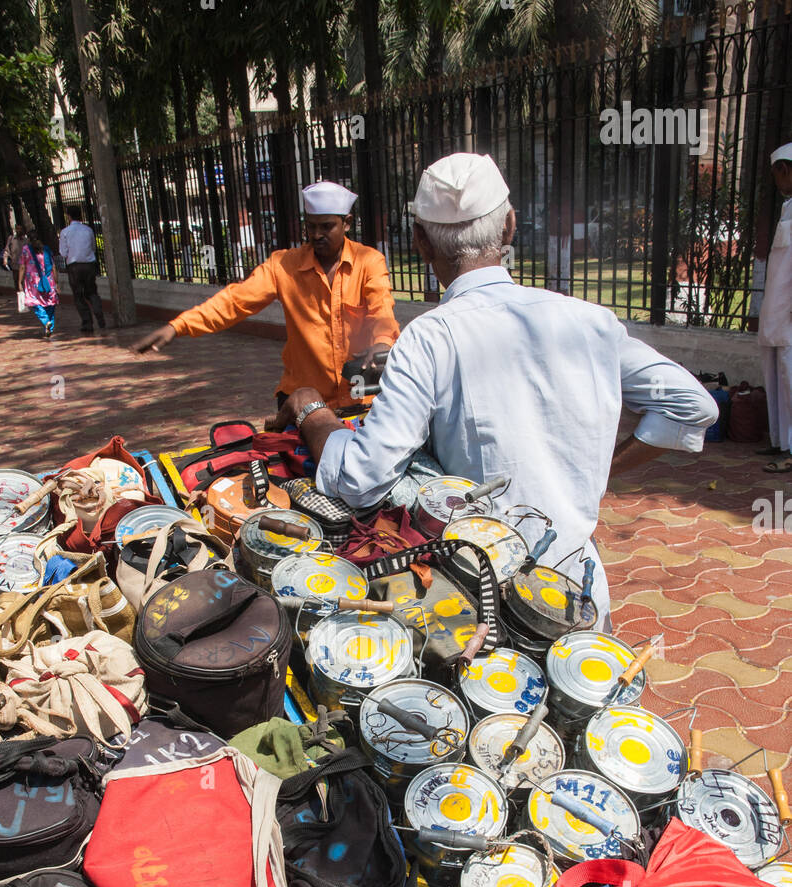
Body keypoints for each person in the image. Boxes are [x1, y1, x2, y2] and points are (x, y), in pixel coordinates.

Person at [267, 153, 718, 628]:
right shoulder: (590, 322)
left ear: (420, 242)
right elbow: (692, 407)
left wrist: (312, 410)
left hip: (482, 600)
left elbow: (362, 479)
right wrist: (595, 472)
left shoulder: (430, 337)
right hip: (576, 592)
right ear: (509, 227)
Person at [131, 181, 400, 410]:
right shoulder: (283, 265)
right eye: (311, 226)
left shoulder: (369, 262)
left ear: (347, 223)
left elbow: (382, 309)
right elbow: (234, 302)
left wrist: (383, 342)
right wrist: (177, 326)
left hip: (359, 397)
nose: (316, 235)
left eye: (326, 226)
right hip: (304, 402)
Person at [758, 143, 792, 473]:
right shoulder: (788, 208)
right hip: (777, 310)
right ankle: (780, 441)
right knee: (776, 375)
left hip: (790, 312)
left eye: (779, 173)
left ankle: (790, 448)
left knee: (791, 378)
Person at [59, 205, 106, 335]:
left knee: (78, 295)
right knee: (92, 292)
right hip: (89, 264)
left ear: (68, 216)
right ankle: (99, 314)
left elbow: (63, 253)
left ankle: (87, 323)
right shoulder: (88, 230)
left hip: (74, 266)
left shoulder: (65, 232)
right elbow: (93, 247)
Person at [18, 234, 58, 338]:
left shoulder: (26, 250)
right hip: (49, 281)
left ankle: (46, 322)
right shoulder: (47, 250)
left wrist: (19, 282)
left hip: (33, 282)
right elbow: (53, 267)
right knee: (50, 303)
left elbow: (22, 267)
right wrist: (56, 282)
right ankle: (50, 326)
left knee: (36, 303)